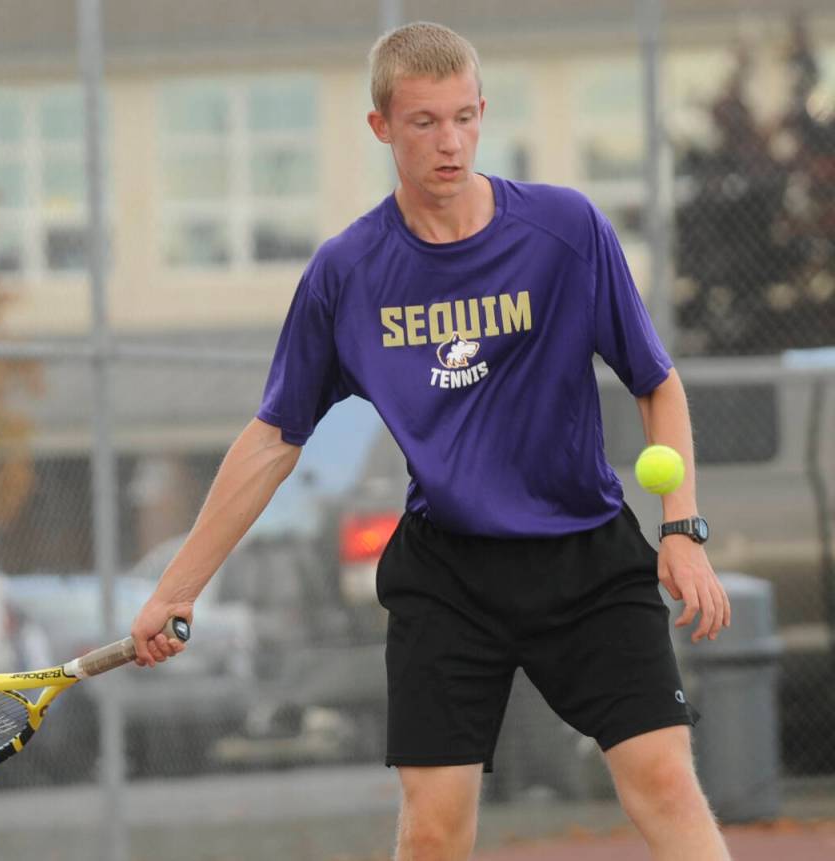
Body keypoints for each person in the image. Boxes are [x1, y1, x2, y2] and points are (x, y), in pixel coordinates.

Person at [131, 20, 733, 861]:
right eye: (424, 122)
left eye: (463, 117)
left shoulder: (564, 232)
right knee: (436, 826)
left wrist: (682, 528)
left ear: (482, 112)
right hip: (450, 576)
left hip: (587, 558)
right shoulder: (349, 273)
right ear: (381, 127)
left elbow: (656, 380)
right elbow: (273, 438)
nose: (449, 143)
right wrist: (177, 586)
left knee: (664, 778)